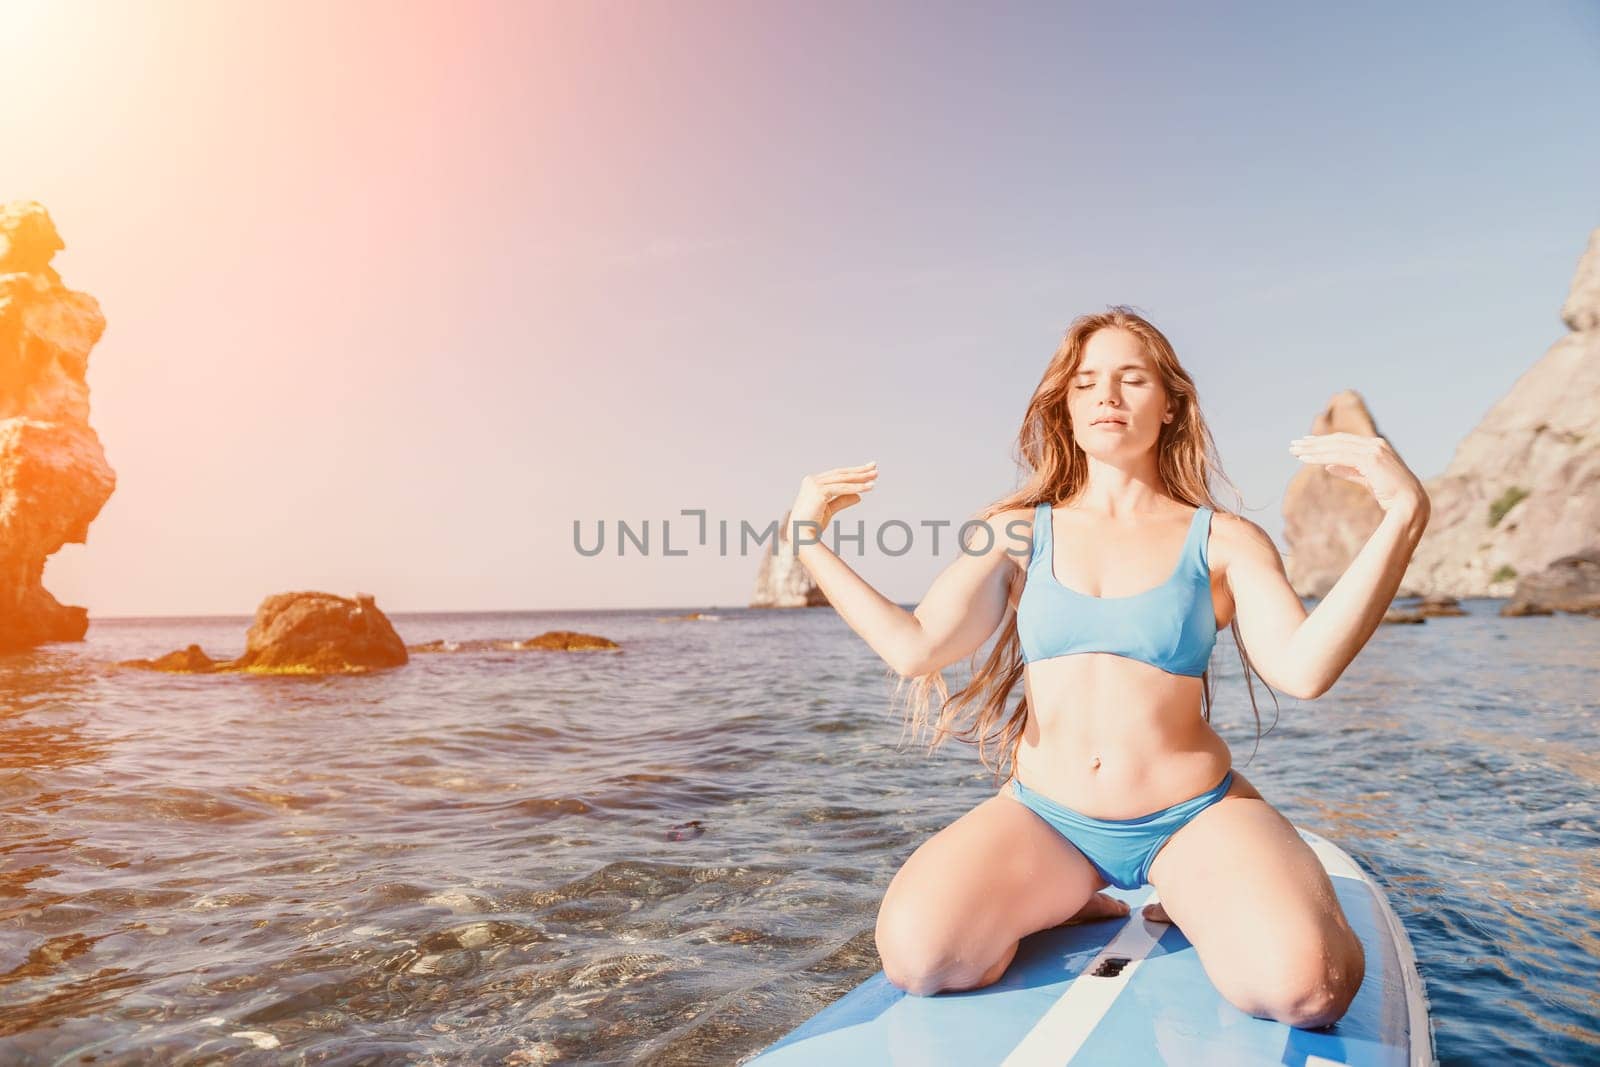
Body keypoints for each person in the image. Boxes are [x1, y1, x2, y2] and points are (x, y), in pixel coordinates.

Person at [785, 306, 1430, 1030]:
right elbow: (915, 647)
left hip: (1192, 817)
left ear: (1171, 404)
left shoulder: (1225, 541)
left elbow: (1304, 670)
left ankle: (1200, 888)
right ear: (1065, 403)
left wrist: (1404, 512)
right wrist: (807, 540)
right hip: (1047, 819)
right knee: (921, 958)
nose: (1108, 397)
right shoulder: (1016, 531)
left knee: (1306, 991)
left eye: (1132, 380)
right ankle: (1073, 900)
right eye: (1087, 381)